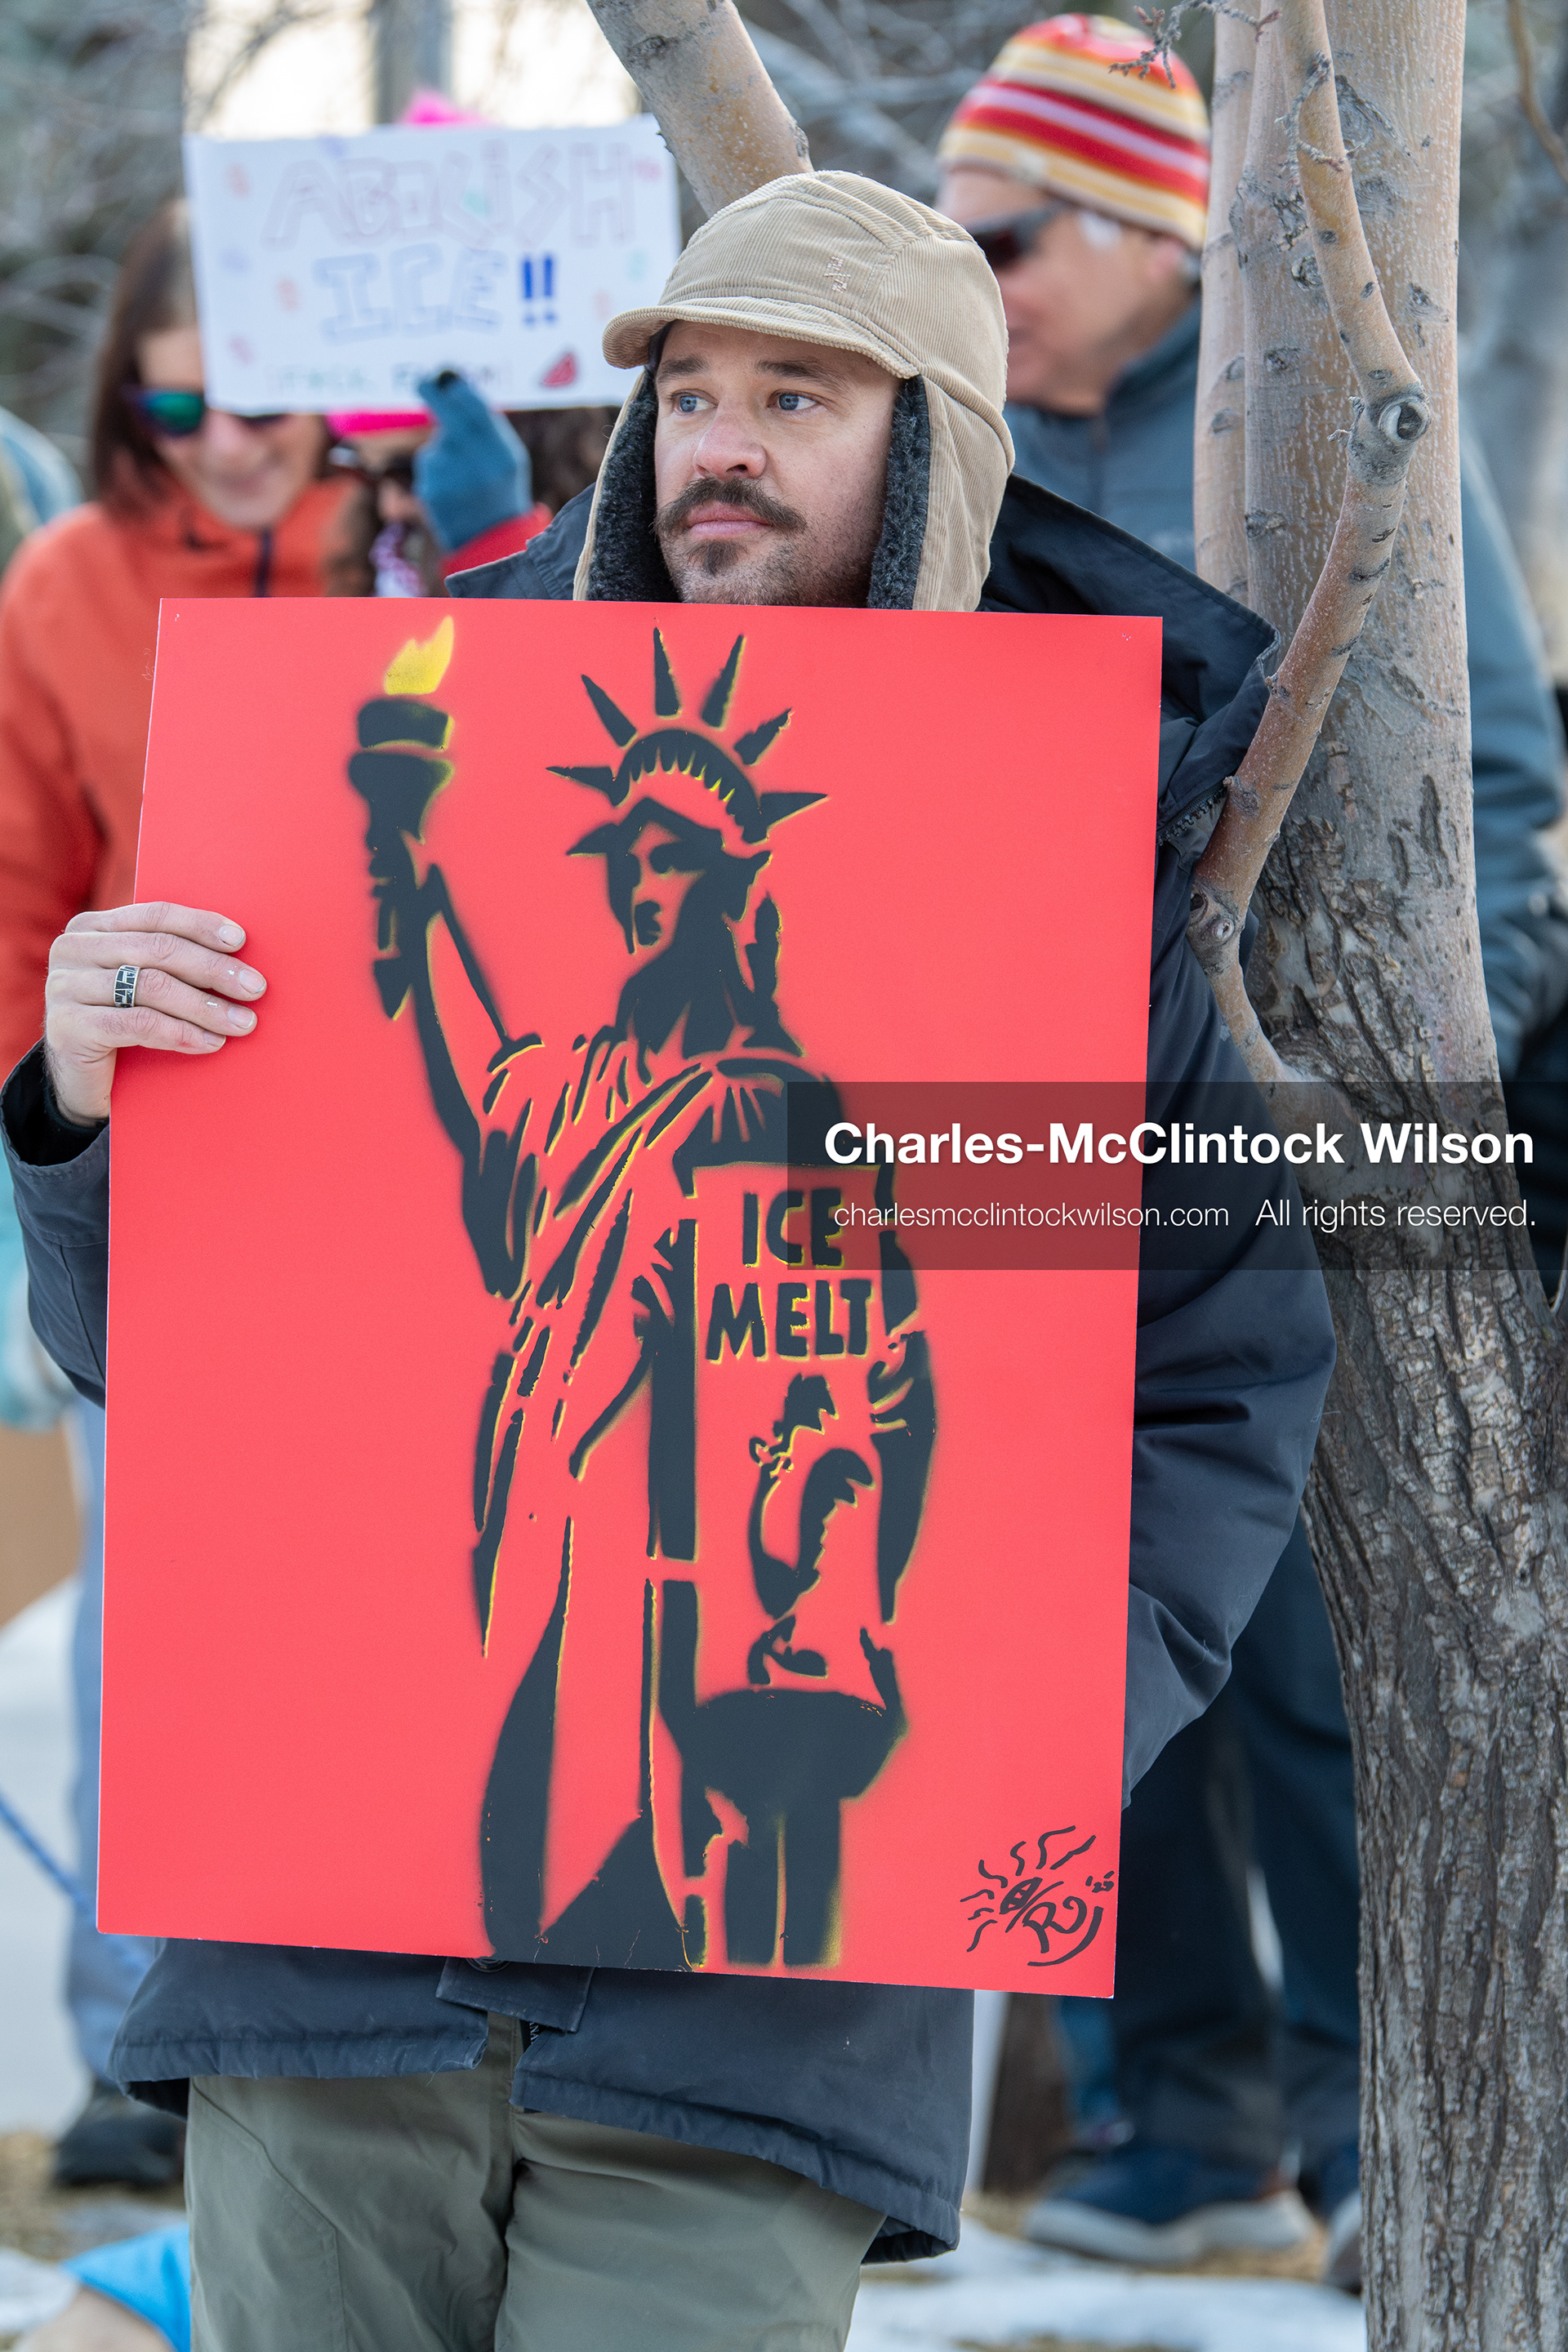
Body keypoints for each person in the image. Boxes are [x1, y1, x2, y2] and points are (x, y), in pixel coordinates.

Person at [5, 170, 1336, 2349]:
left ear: (938, 450)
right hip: (334, 1973)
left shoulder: (1072, 909)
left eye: (794, 395)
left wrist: (1020, 1718)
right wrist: (77, 1108)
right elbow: (176, 1344)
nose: (719, 437)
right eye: (692, 391)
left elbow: (1215, 1377)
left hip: (763, 2020)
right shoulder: (396, 839)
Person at [935, 15, 1568, 2293]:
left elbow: (1493, 795)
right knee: (1064, 1638)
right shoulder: (955, 453)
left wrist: (1392, 1107)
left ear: (1134, 230)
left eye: (998, 230)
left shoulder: (1312, 433)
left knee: (1307, 1659)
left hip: (1296, 1147)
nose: (966, 264)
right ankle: (1169, 2115)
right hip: (1013, 1147)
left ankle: (1367, 2125)